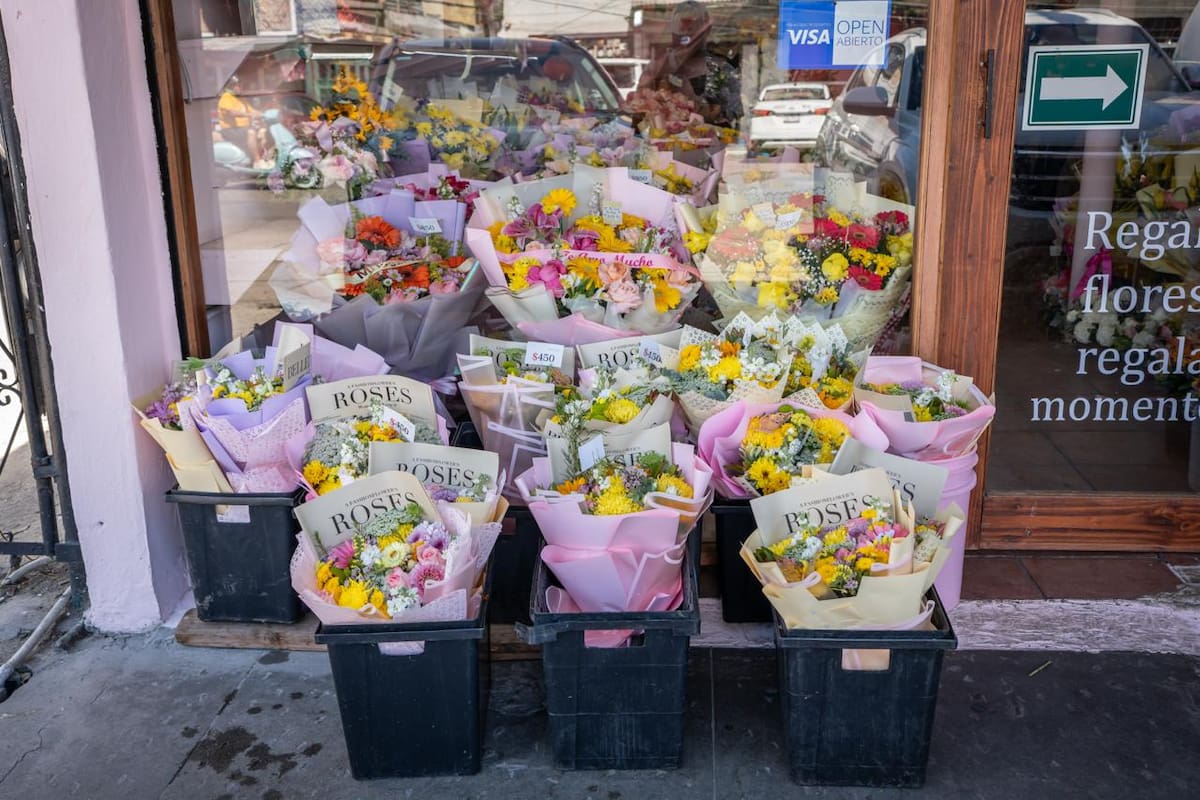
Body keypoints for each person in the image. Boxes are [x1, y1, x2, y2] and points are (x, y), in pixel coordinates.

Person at [638, 1, 742, 128]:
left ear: (705, 32)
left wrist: (706, 110)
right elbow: (639, 106)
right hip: (662, 143)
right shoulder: (658, 67)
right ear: (672, 31)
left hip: (709, 142)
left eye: (692, 28)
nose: (686, 34)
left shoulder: (720, 68)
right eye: (680, 28)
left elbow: (735, 112)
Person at [217, 76, 264, 162]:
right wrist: (249, 115)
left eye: (241, 85)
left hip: (242, 129)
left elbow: (252, 111)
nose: (241, 87)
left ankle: (262, 156)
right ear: (232, 86)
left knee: (262, 131)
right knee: (251, 132)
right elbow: (232, 113)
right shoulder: (226, 97)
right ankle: (257, 162)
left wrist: (263, 114)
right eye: (239, 85)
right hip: (230, 129)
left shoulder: (241, 99)